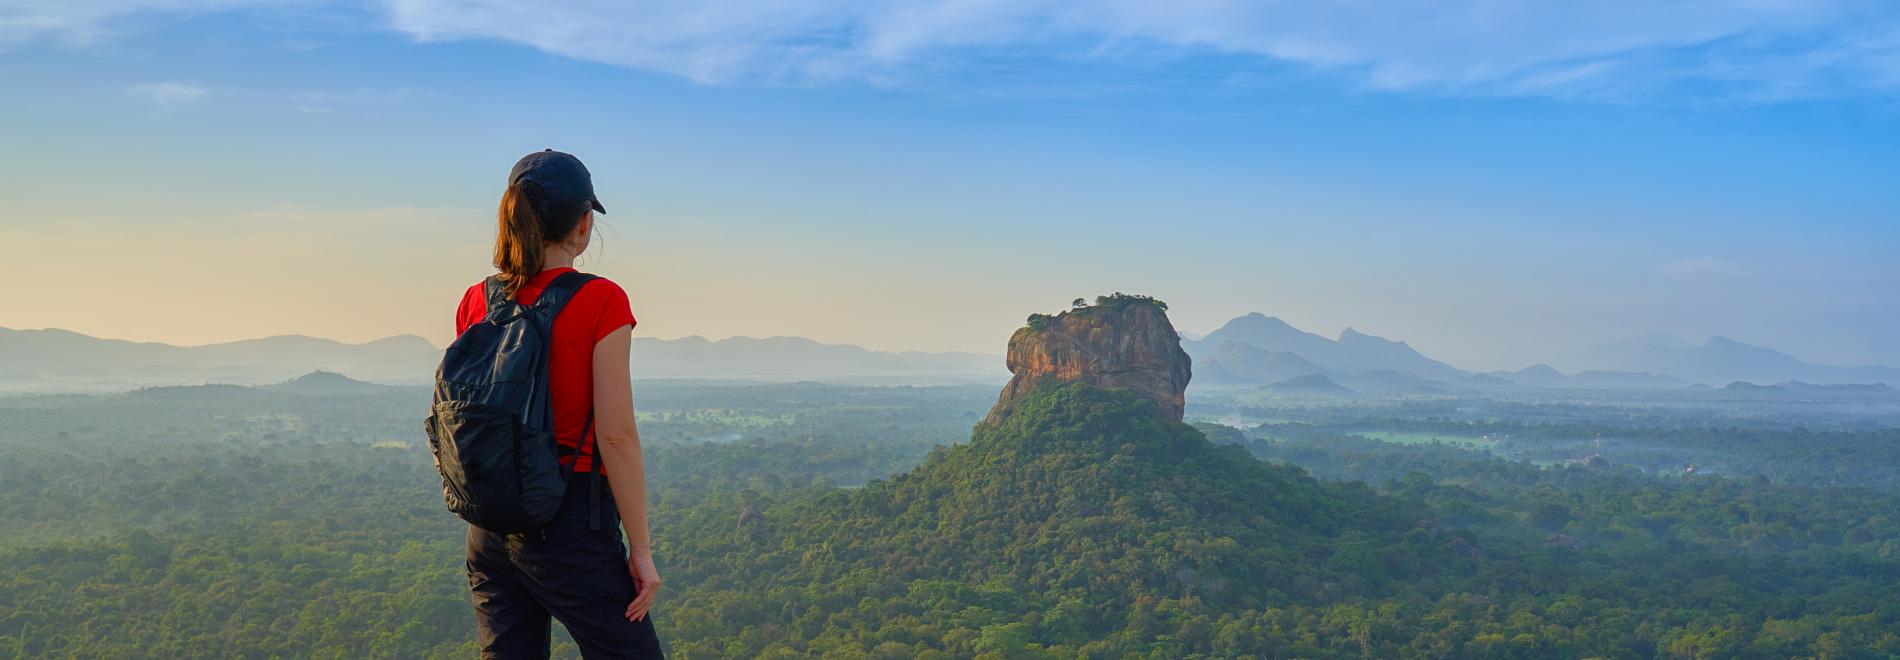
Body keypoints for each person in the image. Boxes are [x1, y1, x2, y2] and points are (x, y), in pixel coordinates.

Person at [453, 149, 663, 658]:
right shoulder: (601, 302)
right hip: (570, 527)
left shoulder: (477, 300)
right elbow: (616, 435)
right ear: (583, 224)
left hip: (490, 526)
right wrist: (641, 549)